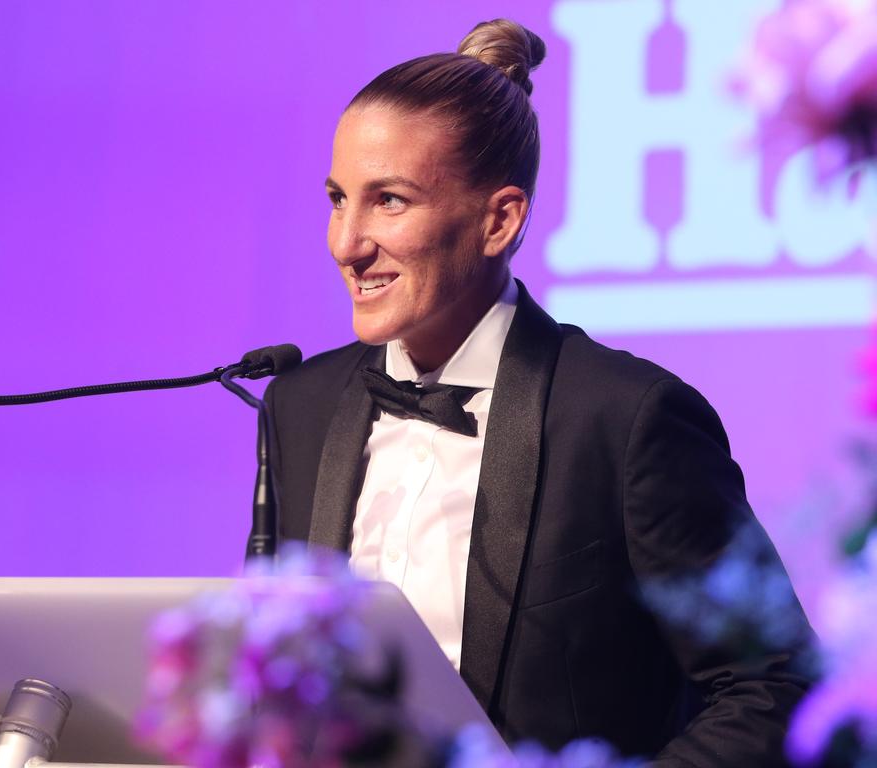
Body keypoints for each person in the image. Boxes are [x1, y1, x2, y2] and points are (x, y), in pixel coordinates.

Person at [263, 18, 813, 766]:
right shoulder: (299, 407)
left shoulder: (625, 420)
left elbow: (772, 687)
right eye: (337, 198)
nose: (346, 243)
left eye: (388, 201)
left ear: (500, 219)